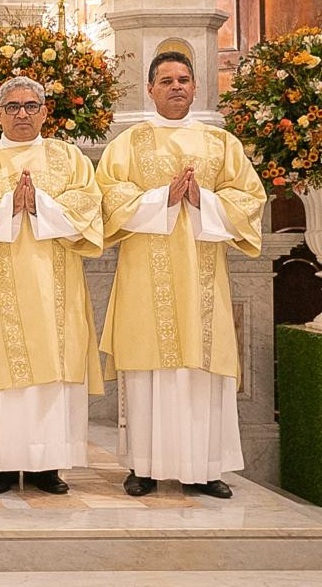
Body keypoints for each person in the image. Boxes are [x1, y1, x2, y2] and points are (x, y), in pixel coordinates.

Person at [97, 51, 266, 498]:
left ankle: (204, 468)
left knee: (200, 372)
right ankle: (144, 466)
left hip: (202, 280)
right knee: (148, 371)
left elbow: (249, 199)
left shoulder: (221, 144)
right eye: (167, 80)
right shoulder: (128, 144)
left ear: (196, 88)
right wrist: (162, 199)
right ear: (150, 89)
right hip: (143, 280)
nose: (176, 87)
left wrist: (203, 200)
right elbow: (109, 200)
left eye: (184, 80)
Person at [0, 77, 104, 495]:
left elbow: (88, 207)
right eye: (13, 106)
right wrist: (7, 206)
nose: (22, 113)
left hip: (56, 285)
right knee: (0, 368)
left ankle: (47, 465)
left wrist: (41, 204)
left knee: (52, 373)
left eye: (31, 105)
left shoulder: (68, 156)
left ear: (44, 112)